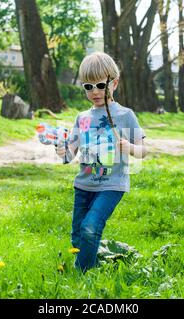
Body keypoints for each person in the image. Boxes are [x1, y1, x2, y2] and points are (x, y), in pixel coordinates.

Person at [56, 52, 147, 272]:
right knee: (78, 237)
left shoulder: (126, 115)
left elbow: (143, 151)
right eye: (88, 86)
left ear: (114, 83)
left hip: (111, 185)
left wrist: (130, 148)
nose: (95, 91)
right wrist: (62, 151)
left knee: (90, 227)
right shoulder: (82, 118)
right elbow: (71, 155)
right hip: (83, 185)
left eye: (100, 85)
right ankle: (93, 261)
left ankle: (83, 274)